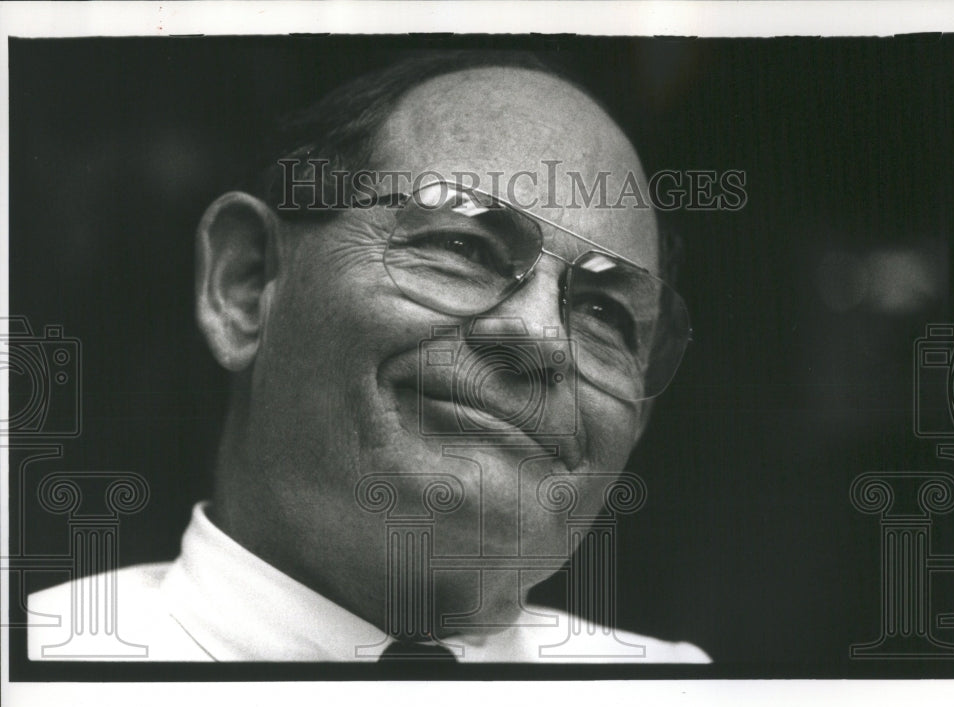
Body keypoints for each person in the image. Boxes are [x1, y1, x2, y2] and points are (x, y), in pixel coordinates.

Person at [28, 51, 709, 663]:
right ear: (244, 283)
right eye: (463, 248)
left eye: (603, 314)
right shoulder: (37, 699)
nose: (540, 338)